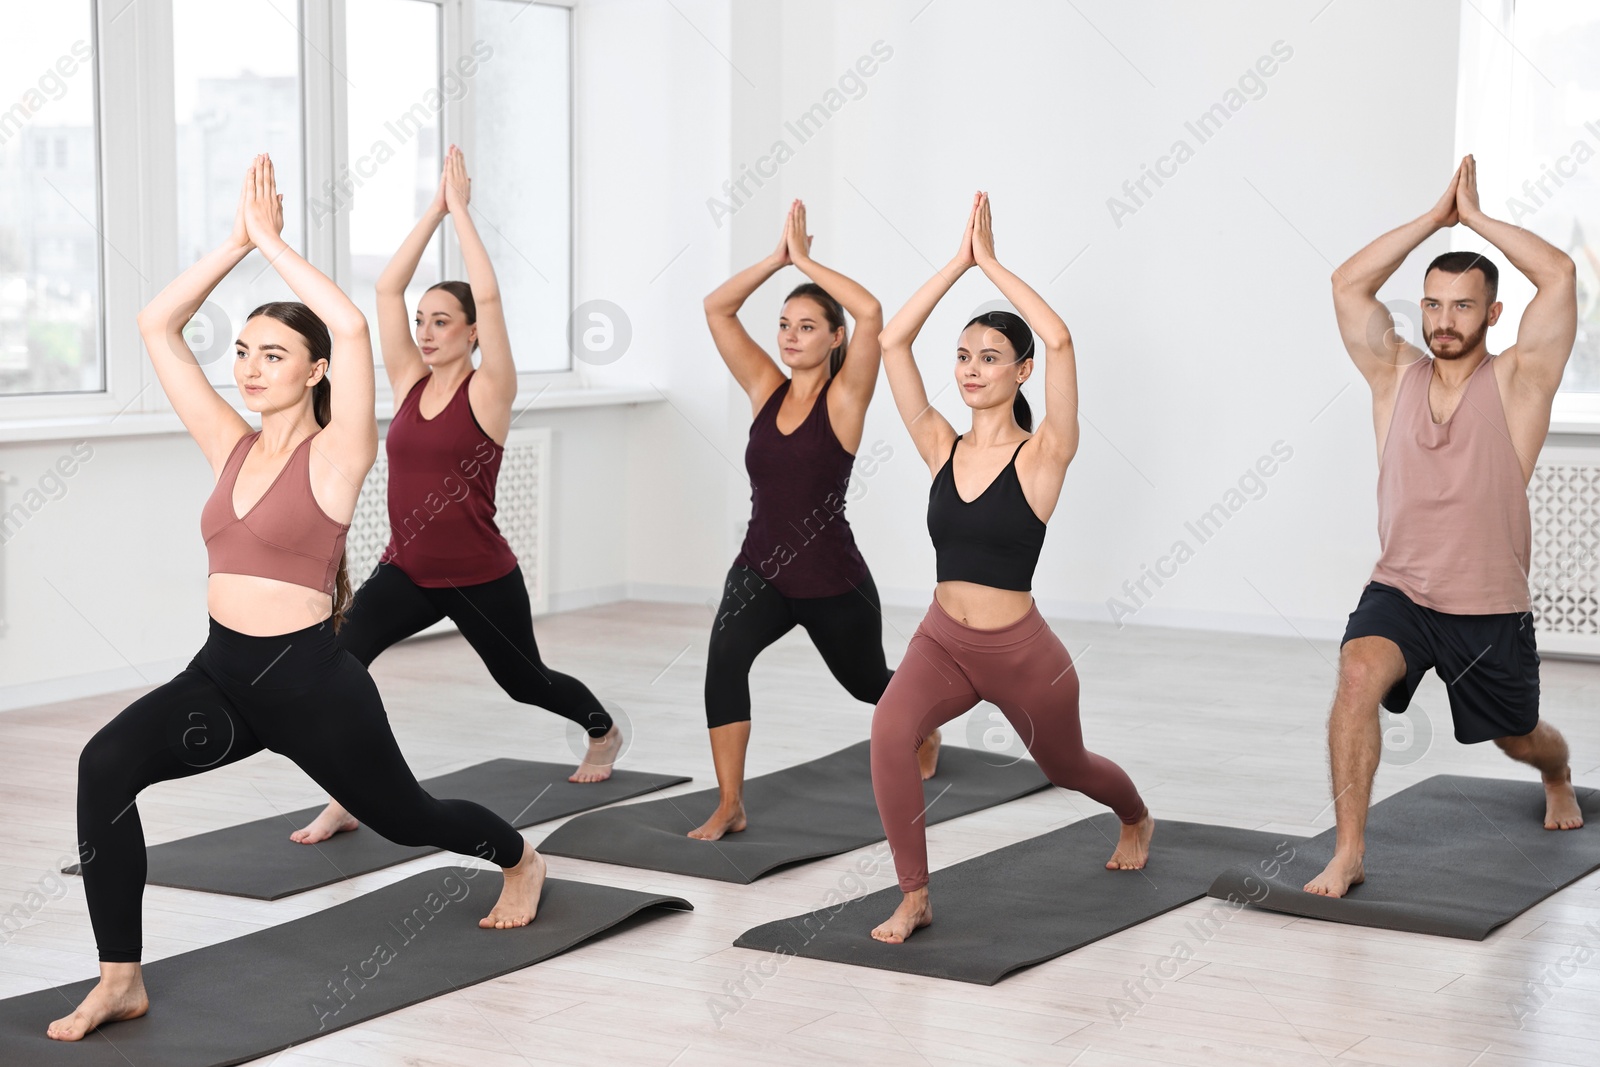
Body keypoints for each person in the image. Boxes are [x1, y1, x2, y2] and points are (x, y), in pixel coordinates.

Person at [47, 156, 544, 1042]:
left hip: (314, 685)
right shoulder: (228, 445)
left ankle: (517, 855)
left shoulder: (337, 454)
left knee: (410, 818)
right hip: (221, 678)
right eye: (242, 351)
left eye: (273, 354)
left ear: (315, 372)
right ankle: (121, 976)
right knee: (103, 768)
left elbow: (353, 327)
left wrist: (274, 241)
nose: (249, 367)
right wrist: (234, 243)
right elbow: (157, 323)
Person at [291, 146, 621, 846]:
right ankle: (347, 794)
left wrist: (463, 213)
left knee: (526, 681)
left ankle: (602, 727)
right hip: (406, 569)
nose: (426, 331)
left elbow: (492, 295)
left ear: (473, 331)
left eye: (443, 321)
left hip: (479, 575)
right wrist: (433, 210)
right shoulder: (411, 382)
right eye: (424, 321)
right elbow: (385, 289)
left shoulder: (490, 390)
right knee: (335, 667)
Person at [869, 192, 1152, 944]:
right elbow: (893, 343)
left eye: (989, 357)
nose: (970, 369)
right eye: (962, 357)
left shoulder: (1044, 455)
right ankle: (915, 894)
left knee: (1069, 766)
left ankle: (1135, 814)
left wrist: (992, 263)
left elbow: (1059, 339)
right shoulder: (940, 443)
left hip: (1022, 656)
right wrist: (955, 267)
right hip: (941, 642)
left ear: (1020, 372)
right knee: (888, 731)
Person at [1307, 154, 1583, 899]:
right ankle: (1351, 851)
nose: (1443, 321)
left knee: (1518, 736)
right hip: (1401, 589)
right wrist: (1434, 218)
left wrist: (1479, 218)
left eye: (1462, 306)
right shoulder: (1393, 374)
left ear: (1493, 314)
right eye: (1432, 305)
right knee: (1357, 675)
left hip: (1488, 607)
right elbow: (1346, 284)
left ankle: (1558, 773)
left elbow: (1558, 274)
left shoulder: (1521, 380)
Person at [692, 199, 937, 841]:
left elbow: (871, 313)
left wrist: (807, 261)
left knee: (867, 686)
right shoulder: (763, 389)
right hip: (759, 569)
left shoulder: (847, 397)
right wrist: (775, 260)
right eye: (784, 324)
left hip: (832, 579)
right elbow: (717, 308)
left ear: (834, 339)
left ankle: (924, 721)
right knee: (723, 662)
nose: (790, 336)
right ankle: (729, 803)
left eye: (807, 326)